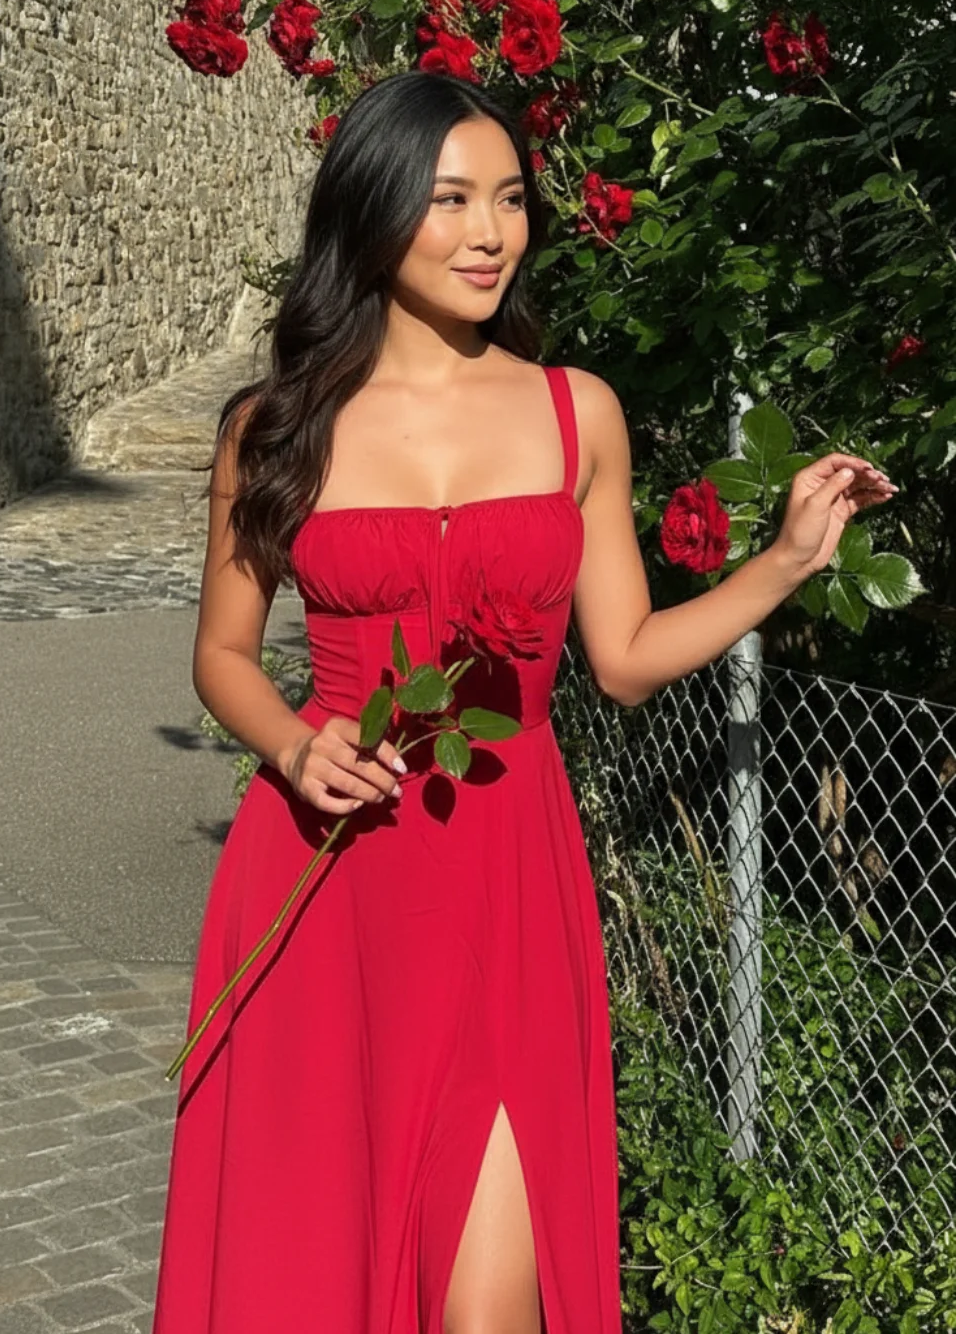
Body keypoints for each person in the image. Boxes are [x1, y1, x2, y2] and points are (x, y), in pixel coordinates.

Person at [151, 71, 895, 1334]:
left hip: (504, 878)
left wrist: (782, 561)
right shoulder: (275, 427)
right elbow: (224, 654)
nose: (490, 232)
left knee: (488, 1299)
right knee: (310, 1269)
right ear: (374, 210)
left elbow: (623, 656)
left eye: (508, 198)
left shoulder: (575, 412)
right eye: (449, 200)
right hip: (331, 876)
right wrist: (291, 741)